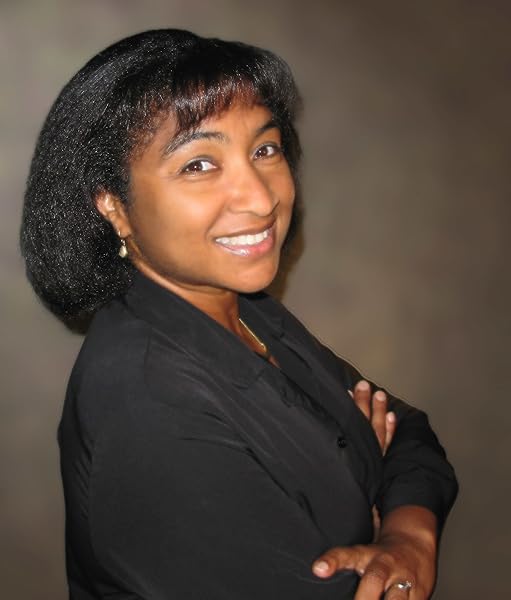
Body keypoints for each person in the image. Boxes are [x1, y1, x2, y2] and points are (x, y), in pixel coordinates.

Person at [20, 29, 457, 600]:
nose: (260, 196)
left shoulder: (248, 311)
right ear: (113, 206)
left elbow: (410, 434)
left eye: (264, 150)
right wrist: (365, 484)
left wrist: (405, 536)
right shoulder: (148, 402)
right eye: (199, 164)